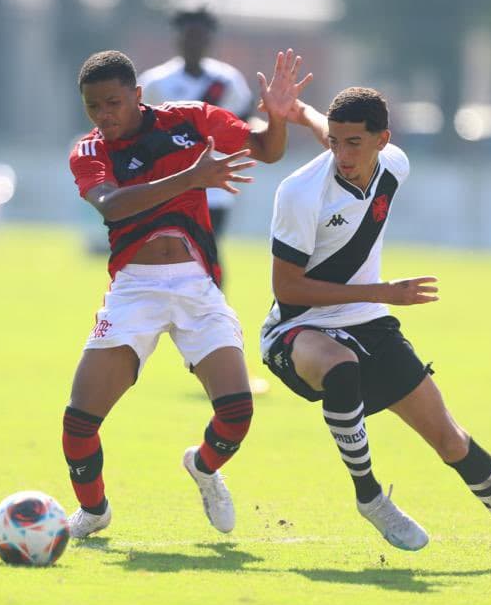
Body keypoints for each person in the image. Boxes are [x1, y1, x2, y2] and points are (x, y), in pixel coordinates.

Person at [260, 87, 491, 571]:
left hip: (367, 322)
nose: (342, 155)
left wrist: (301, 112)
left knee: (451, 439)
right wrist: (383, 292)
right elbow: (288, 289)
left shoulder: (395, 166)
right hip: (295, 329)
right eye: (335, 142)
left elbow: (340, 135)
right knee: (342, 369)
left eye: (354, 143)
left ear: (382, 140)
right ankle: (369, 497)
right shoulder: (300, 193)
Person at [64, 48, 310, 539]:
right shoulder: (89, 152)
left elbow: (266, 150)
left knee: (237, 411)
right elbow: (112, 206)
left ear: (137, 96)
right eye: (94, 107)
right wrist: (190, 179)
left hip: (196, 286)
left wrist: (277, 119)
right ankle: (94, 512)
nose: (104, 116)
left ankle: (203, 465)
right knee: (79, 422)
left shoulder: (190, 120)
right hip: (135, 290)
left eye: (113, 103)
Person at [137, 6, 252, 284]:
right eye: (189, 36)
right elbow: (139, 130)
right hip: (169, 185)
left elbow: (244, 122)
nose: (194, 43)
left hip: (214, 188)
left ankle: (214, 317)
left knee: (206, 253)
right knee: (170, 256)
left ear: (210, 40)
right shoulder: (155, 81)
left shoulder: (227, 80)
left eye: (201, 37)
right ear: (177, 39)